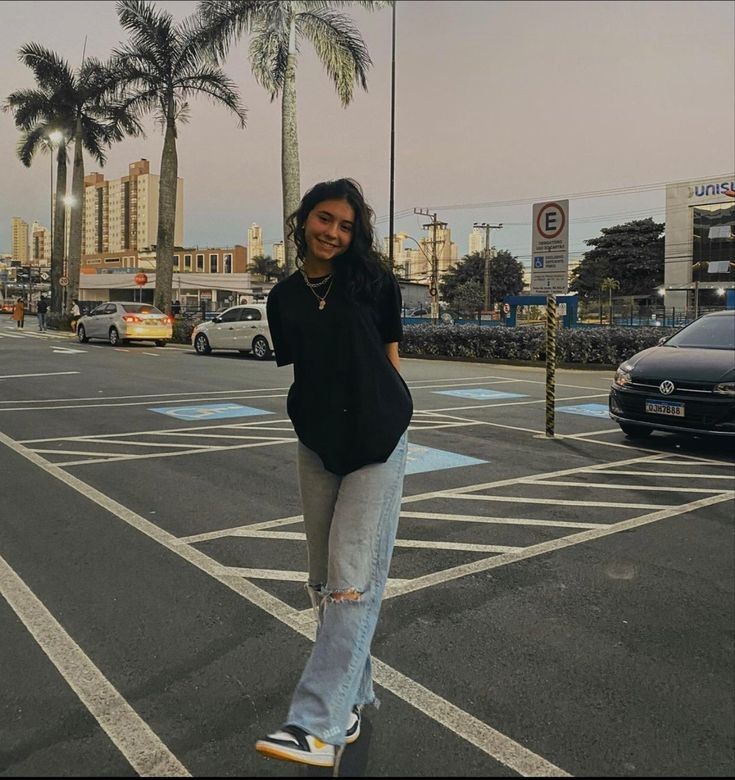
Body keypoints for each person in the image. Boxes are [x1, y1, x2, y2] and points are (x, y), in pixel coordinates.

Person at [256, 179, 413, 770]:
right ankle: (352, 699)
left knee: (352, 574)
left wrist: (394, 409)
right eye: (325, 220)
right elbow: (309, 369)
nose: (333, 233)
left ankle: (315, 722)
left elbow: (389, 351)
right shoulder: (284, 298)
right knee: (323, 577)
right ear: (305, 221)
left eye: (346, 226)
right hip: (319, 443)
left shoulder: (372, 281)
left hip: (377, 438)